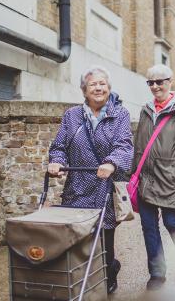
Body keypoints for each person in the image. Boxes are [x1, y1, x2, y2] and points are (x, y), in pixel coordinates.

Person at [48, 65, 134, 294]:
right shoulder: (72, 116)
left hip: (105, 187)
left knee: (105, 236)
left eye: (102, 83)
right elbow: (59, 146)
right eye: (93, 84)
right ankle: (79, 277)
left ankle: (109, 271)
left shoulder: (120, 114)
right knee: (77, 236)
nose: (98, 87)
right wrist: (56, 161)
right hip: (77, 187)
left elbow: (124, 145)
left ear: (109, 88)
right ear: (84, 90)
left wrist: (112, 162)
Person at [132, 64, 175, 290]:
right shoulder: (145, 110)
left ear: (170, 82)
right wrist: (132, 175)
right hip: (146, 179)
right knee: (149, 226)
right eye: (150, 82)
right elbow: (139, 147)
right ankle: (157, 273)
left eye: (159, 82)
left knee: (173, 222)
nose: (154, 86)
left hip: (171, 178)